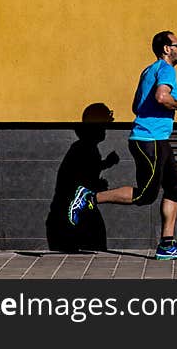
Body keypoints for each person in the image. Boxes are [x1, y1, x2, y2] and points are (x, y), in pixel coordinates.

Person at [67, 31, 177, 260]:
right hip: (150, 140)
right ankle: (89, 197)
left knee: (174, 188)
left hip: (157, 140)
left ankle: (167, 244)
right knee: (145, 195)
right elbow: (160, 97)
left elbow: (137, 106)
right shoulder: (166, 70)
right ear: (167, 49)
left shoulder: (150, 70)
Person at [46, 103, 119, 252]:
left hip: (70, 213)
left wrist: (105, 165)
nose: (106, 130)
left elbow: (86, 170)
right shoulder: (85, 148)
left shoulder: (85, 147)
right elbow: (80, 177)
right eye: (104, 125)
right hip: (69, 217)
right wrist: (98, 183)